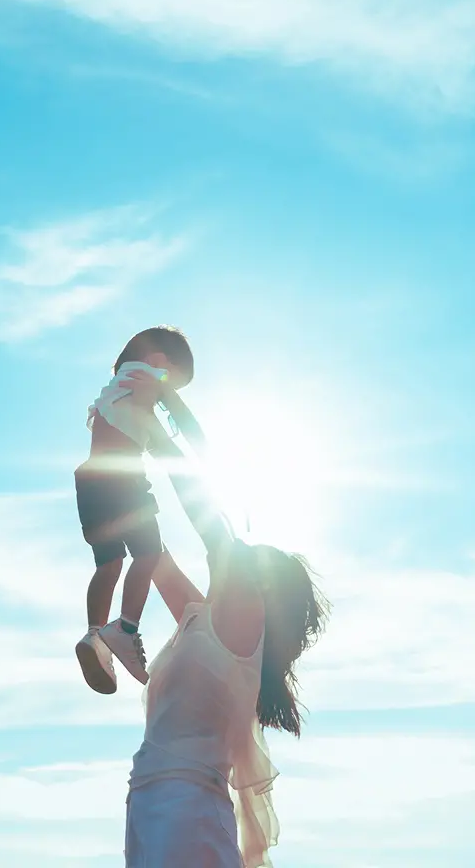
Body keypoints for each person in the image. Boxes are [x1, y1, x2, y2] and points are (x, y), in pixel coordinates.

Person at [120, 370, 328, 868]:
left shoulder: (243, 616)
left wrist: (157, 435)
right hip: (148, 803)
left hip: (187, 809)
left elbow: (208, 519)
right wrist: (118, 459)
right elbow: (152, 554)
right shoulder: (203, 621)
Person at [74, 326, 203, 695]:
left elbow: (143, 432)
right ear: (159, 362)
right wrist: (205, 450)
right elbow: (181, 420)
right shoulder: (148, 377)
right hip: (124, 480)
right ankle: (126, 628)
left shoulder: (113, 389)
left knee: (108, 564)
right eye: (174, 383)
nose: (168, 396)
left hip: (90, 481)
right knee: (148, 555)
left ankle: (94, 636)